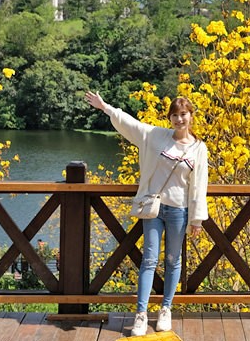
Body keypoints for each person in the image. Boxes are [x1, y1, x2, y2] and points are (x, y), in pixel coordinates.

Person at [85, 91, 208, 336]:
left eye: (183, 114)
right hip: (153, 207)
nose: (179, 120)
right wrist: (105, 107)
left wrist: (196, 219)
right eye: (174, 115)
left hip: (179, 211)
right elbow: (130, 124)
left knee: (173, 261)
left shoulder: (198, 148)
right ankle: (141, 314)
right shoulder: (156, 136)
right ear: (170, 118)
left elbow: (199, 185)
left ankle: (166, 309)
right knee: (149, 259)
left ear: (191, 116)